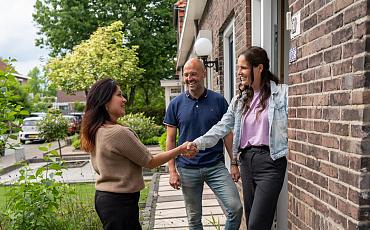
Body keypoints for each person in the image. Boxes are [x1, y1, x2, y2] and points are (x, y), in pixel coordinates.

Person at [189, 46, 288, 230]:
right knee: (252, 221)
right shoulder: (240, 99)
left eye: (243, 68)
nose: (239, 73)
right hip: (247, 162)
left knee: (257, 224)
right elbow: (221, 127)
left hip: (271, 162)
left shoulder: (282, 94)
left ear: (259, 68)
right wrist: (198, 143)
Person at [80, 78, 196, 230]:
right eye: (119, 95)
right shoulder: (117, 133)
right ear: (105, 102)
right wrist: (180, 149)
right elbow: (150, 161)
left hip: (106, 199)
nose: (124, 99)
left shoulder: (97, 129)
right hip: (120, 202)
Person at [164, 58, 243, 230]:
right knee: (194, 220)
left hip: (215, 166)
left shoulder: (219, 101)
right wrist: (172, 171)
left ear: (203, 74)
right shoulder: (175, 104)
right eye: (186, 75)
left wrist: (234, 163)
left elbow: (227, 134)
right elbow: (170, 140)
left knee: (235, 208)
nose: (189, 78)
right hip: (187, 169)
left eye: (193, 74)